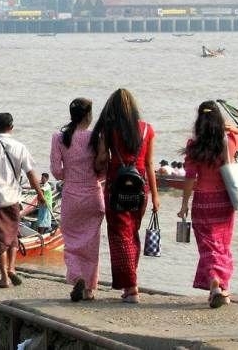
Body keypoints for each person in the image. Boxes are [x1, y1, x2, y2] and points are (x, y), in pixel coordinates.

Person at [177, 101, 238, 309]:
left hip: (202, 202)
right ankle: (221, 289)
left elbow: (190, 178)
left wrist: (184, 204)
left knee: (208, 247)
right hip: (225, 201)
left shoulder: (194, 145)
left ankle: (216, 285)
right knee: (222, 245)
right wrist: (232, 128)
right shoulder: (229, 140)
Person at [89, 88, 159, 303]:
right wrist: (156, 196)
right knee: (132, 234)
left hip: (115, 188)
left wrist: (97, 163)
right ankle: (131, 284)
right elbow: (148, 165)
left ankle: (131, 287)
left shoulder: (109, 130)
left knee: (120, 236)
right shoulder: (147, 129)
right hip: (140, 190)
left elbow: (101, 160)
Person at [0, 113, 46, 288]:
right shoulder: (20, 147)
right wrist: (40, 195)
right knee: (13, 236)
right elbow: (31, 174)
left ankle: (4, 277)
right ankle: (12, 267)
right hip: (14, 199)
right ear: (12, 127)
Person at [50, 98, 105, 302]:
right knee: (92, 245)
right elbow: (102, 169)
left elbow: (56, 172)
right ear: (89, 116)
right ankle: (90, 289)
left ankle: (77, 277)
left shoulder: (59, 137)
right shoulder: (96, 137)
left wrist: (71, 174)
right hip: (93, 196)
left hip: (72, 197)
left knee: (72, 243)